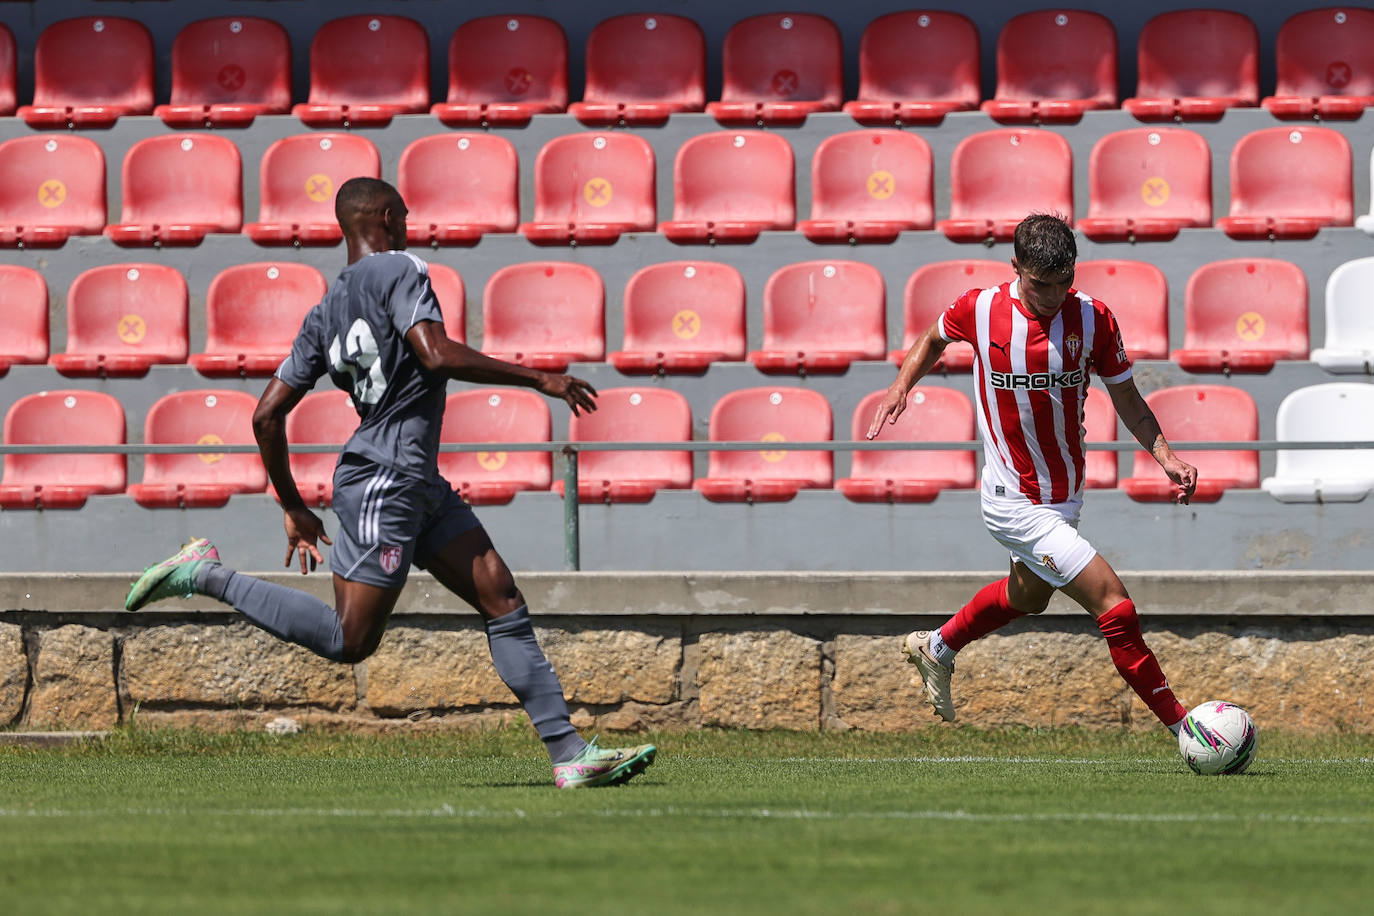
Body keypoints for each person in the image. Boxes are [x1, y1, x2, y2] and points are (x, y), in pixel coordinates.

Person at [125, 177, 656, 789]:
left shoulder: (323, 312)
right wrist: (538, 378)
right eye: (403, 214)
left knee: (501, 599)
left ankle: (569, 756)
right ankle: (204, 572)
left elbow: (266, 415)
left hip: (413, 481)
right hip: (385, 479)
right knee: (348, 639)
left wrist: (294, 507)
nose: (408, 224)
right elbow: (433, 353)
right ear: (385, 216)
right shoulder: (400, 268)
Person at [868, 214, 1195, 736]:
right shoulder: (980, 308)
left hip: (1064, 496)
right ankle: (1188, 732)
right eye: (1040, 285)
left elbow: (1128, 401)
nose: (1051, 296)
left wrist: (1167, 457)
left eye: (1062, 283)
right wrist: (900, 386)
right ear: (1015, 266)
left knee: (1028, 597)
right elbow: (933, 338)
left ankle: (937, 646)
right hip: (1011, 499)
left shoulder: (1095, 320)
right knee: (1115, 604)